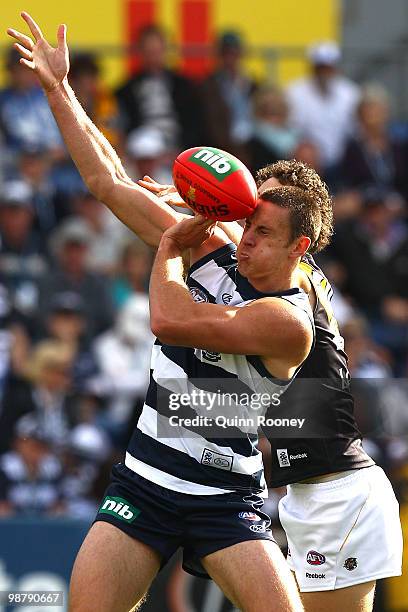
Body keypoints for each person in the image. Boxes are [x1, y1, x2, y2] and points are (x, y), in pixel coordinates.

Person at [8, 13, 313, 612]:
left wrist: (172, 243)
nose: (245, 240)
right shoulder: (216, 246)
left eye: (264, 236)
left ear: (297, 249)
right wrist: (58, 89)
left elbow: (169, 320)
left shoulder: (288, 321)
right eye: (247, 225)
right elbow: (106, 179)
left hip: (226, 493)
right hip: (145, 480)